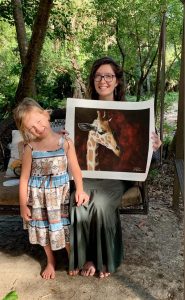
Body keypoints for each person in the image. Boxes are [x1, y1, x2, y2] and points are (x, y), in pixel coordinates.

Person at [69, 56, 162, 278]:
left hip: (118, 176)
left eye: (109, 75)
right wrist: (66, 138)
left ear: (117, 81)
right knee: (79, 203)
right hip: (88, 174)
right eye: (99, 75)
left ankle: (105, 259)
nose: (103, 80)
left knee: (100, 203)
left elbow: (149, 157)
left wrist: (155, 147)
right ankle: (87, 257)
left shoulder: (132, 112)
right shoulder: (83, 110)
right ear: (93, 80)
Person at [13, 97, 89, 280]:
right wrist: (23, 205)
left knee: (64, 227)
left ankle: (73, 257)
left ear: (46, 115)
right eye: (31, 127)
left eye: (39, 121)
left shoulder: (64, 142)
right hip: (38, 198)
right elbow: (24, 179)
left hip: (59, 196)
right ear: (25, 130)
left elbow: (76, 169)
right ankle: (51, 261)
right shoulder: (30, 148)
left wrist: (80, 189)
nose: (38, 128)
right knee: (44, 229)